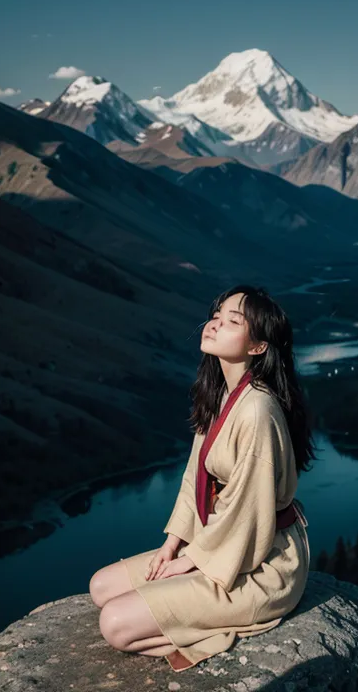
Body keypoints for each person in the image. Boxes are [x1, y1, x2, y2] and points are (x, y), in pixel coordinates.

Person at [89, 284, 317, 672]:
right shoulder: (220, 395)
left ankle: (217, 630)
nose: (214, 324)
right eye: (216, 315)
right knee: (101, 587)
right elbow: (195, 476)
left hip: (261, 563)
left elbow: (248, 513)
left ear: (258, 347)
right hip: (222, 544)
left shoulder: (258, 411)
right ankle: (193, 614)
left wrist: (191, 560)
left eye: (233, 321)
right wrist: (173, 544)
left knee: (114, 625)